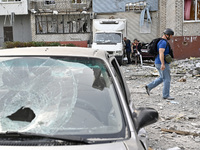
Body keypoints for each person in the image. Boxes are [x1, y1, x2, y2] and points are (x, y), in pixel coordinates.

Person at [145, 28, 175, 100]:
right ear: (167, 35)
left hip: (158, 62)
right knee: (167, 78)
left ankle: (149, 86)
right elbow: (161, 52)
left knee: (162, 78)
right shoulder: (163, 42)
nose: (171, 37)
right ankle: (166, 95)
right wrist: (163, 64)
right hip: (161, 62)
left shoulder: (162, 41)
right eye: (171, 35)